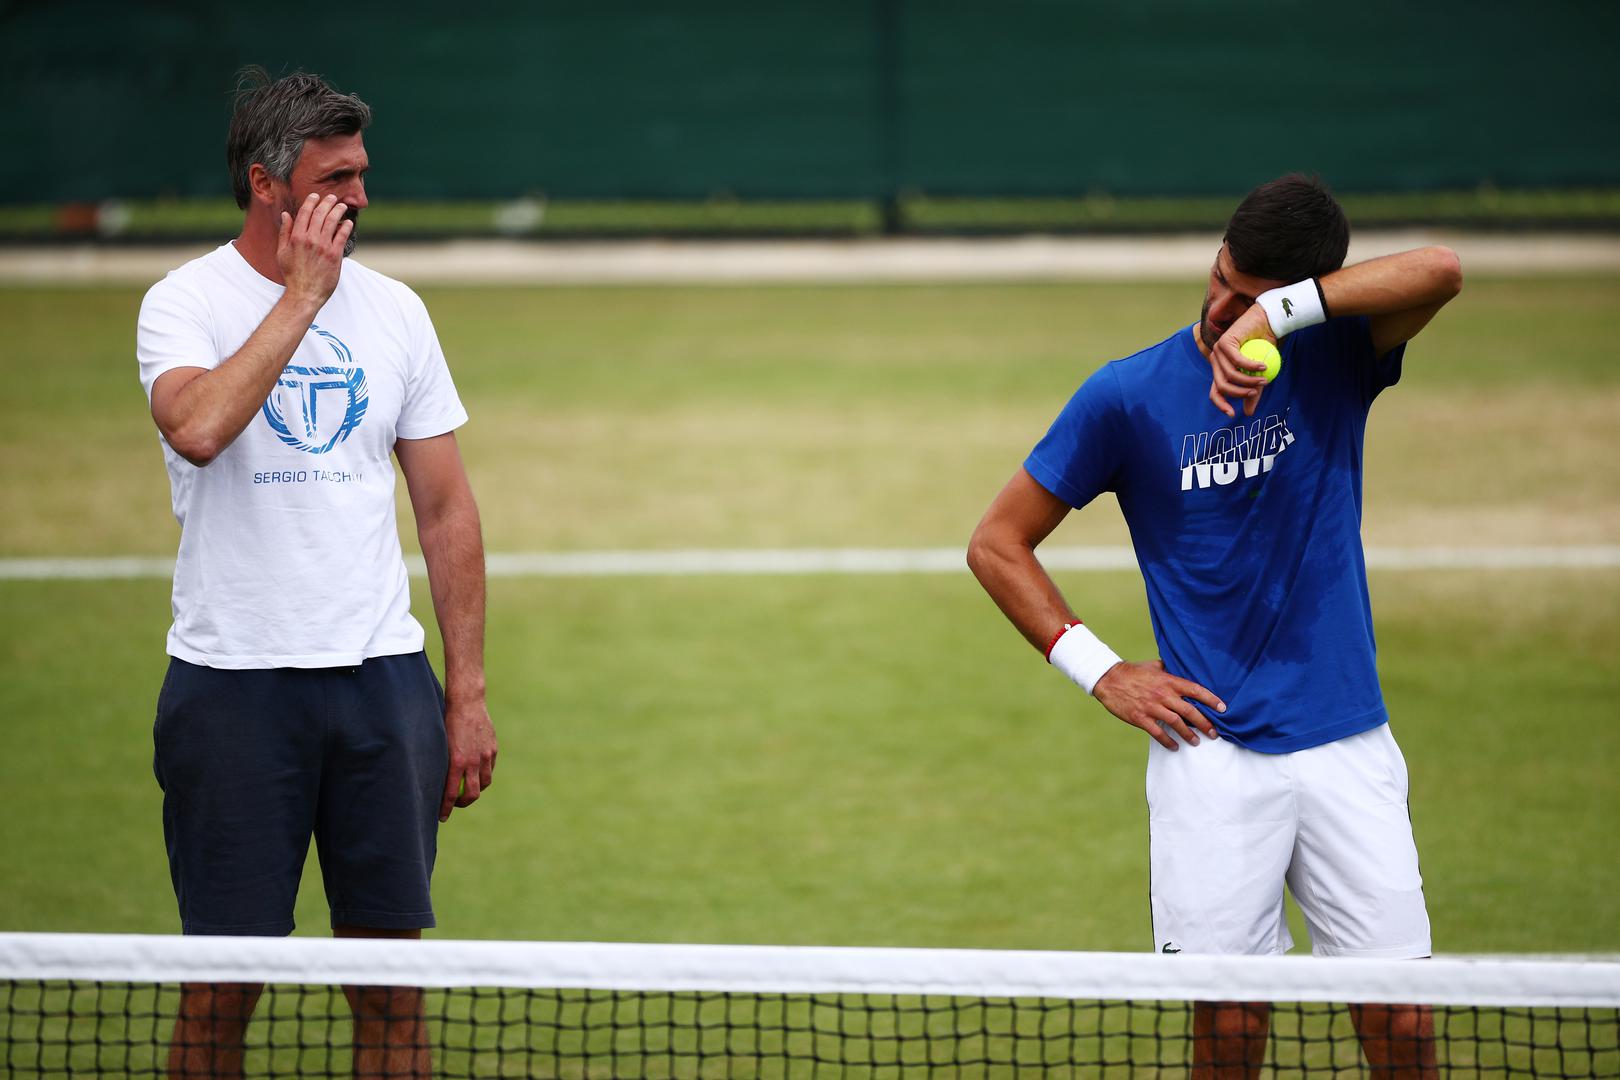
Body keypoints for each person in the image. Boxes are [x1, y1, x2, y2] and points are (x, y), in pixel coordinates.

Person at [967, 174, 1462, 1079]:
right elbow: (998, 543)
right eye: (1223, 280)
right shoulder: (1125, 395)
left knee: (1401, 1020)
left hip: (1347, 744)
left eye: (1251, 298)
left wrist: (1281, 316)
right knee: (1230, 1027)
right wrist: (1101, 670)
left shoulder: (1337, 357)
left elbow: (1441, 270)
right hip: (1210, 760)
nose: (1223, 310)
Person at [136, 67, 497, 1078]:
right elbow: (199, 427)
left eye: (362, 174)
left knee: (391, 994)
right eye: (337, 178)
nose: (361, 197)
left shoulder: (398, 312)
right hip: (233, 689)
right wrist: (303, 297)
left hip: (382, 686)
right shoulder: (183, 303)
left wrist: (465, 693)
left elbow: (446, 509)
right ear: (267, 184)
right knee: (221, 991)